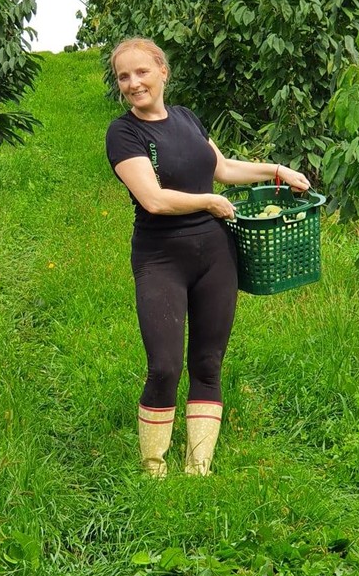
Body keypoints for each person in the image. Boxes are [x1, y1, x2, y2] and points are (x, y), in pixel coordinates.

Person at [105, 37, 311, 477]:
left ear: (163, 71)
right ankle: (153, 469)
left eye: (141, 72)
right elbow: (153, 199)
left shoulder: (185, 118)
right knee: (163, 367)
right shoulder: (124, 133)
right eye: (124, 76)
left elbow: (223, 169)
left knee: (207, 363)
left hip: (216, 256)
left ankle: (198, 468)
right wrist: (209, 203)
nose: (133, 83)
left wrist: (276, 171)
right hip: (161, 258)